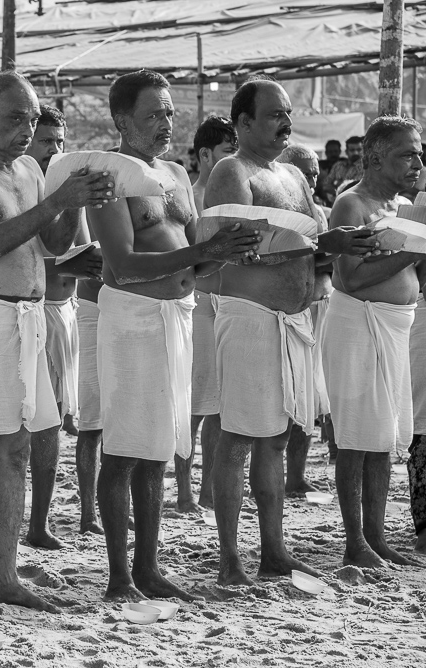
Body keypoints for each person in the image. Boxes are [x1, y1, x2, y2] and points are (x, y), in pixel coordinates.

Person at [0, 70, 112, 613]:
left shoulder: (32, 169)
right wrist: (57, 196)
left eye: (32, 119)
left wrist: (76, 198)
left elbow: (54, 243)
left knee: (17, 449)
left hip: (30, 315)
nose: (26, 128)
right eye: (16, 117)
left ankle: (4, 575)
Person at [204, 78, 383, 586]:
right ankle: (229, 558)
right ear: (242, 123)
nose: (286, 122)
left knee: (278, 437)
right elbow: (234, 247)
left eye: (288, 113)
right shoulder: (230, 170)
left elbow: (312, 244)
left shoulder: (293, 176)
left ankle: (273, 550)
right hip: (249, 317)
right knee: (238, 437)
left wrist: (341, 245)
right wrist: (320, 242)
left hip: (295, 320)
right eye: (274, 114)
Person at [89, 71, 258, 602]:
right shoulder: (106, 175)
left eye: (168, 112)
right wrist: (196, 256)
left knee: (159, 448)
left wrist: (224, 251)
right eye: (152, 114)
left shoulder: (177, 175)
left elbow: (194, 259)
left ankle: (148, 566)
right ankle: (119, 576)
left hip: (179, 315)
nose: (166, 123)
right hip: (133, 318)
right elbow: (123, 263)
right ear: (121, 120)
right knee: (123, 451)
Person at [322, 116, 424, 568]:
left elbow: (407, 274)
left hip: (397, 325)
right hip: (358, 323)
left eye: (419, 153)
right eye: (407, 153)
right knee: (356, 438)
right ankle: (354, 541)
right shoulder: (352, 205)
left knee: (381, 438)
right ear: (377, 156)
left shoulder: (404, 205)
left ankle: (377, 538)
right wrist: (414, 249)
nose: (418, 162)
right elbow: (351, 279)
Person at [24, 104, 101, 548]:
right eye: (46, 141)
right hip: (30, 310)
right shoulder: (19, 188)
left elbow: (84, 248)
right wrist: (69, 263)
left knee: (53, 424)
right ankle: (33, 522)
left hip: (65, 312)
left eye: (60, 142)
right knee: (31, 426)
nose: (55, 150)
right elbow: (22, 258)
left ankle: (42, 520)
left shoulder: (69, 192)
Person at [183, 115, 237, 511]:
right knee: (192, 405)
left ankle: (209, 489)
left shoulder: (237, 194)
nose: (232, 160)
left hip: (230, 305)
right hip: (197, 307)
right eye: (225, 152)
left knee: (220, 405)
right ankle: (184, 492)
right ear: (205, 154)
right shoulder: (187, 195)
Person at [276, 144, 332, 497]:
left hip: (319, 309)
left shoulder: (321, 212)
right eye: (304, 172)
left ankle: (295, 476)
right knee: (285, 399)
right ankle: (272, 474)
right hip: (289, 312)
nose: (311, 179)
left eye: (313, 172)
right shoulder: (277, 206)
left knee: (311, 401)